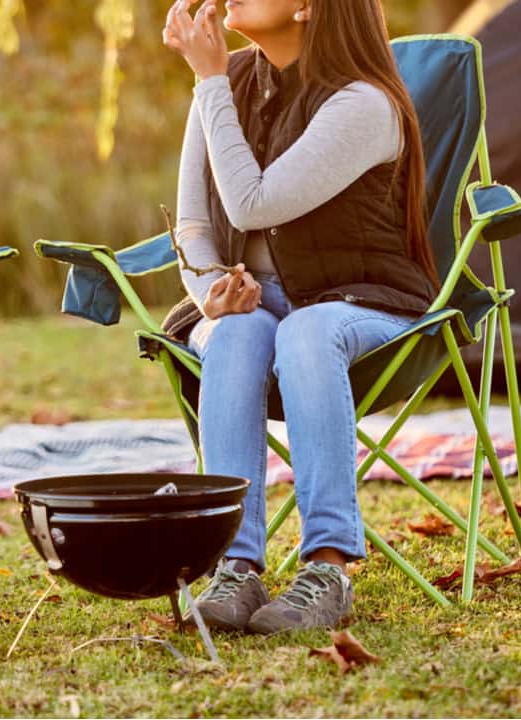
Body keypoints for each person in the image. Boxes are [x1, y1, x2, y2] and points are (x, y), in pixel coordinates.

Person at [160, 0, 439, 633]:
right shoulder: (227, 80)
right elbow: (196, 225)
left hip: (364, 305)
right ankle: (234, 566)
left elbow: (254, 204)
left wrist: (206, 82)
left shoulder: (364, 105)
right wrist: (209, 294)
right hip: (258, 304)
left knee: (306, 328)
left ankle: (327, 567)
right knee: (233, 334)